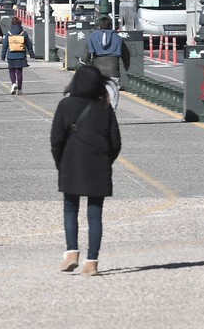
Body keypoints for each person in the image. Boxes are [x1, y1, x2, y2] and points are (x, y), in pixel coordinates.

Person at [51, 65, 121, 277]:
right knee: (95, 213)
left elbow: (56, 139)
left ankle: (72, 253)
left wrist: (60, 162)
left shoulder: (66, 105)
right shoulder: (105, 107)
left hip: (71, 162)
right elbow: (116, 142)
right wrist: (106, 161)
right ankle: (92, 261)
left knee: (70, 208)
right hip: (98, 164)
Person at [81, 17, 130, 110]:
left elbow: (87, 52)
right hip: (113, 69)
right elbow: (125, 53)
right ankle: (112, 110)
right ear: (111, 26)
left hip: (98, 69)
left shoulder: (93, 36)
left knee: (98, 90)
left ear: (99, 25)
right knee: (113, 90)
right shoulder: (117, 37)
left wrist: (83, 62)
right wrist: (126, 65)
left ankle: (99, 109)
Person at [4, 20, 36, 95]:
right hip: (21, 55)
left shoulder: (9, 33)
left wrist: (3, 56)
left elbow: (5, 45)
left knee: (11, 70)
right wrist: (32, 54)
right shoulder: (23, 33)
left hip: (11, 55)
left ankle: (13, 83)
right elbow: (29, 45)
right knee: (19, 71)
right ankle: (20, 89)